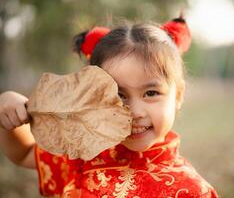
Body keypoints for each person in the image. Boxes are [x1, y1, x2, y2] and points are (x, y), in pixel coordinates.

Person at [0, 17, 218, 197]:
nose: (134, 112)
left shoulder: (190, 190)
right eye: (118, 95)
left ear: (178, 95)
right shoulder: (83, 153)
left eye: (151, 93)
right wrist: (10, 114)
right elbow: (25, 153)